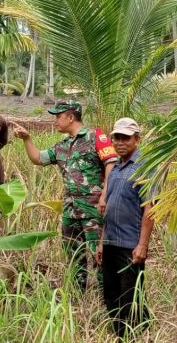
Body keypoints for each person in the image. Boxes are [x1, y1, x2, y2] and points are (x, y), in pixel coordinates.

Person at [12, 100, 117, 292]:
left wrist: (105, 195)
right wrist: (27, 138)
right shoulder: (62, 146)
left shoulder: (95, 137)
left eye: (58, 117)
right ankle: (78, 295)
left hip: (94, 209)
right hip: (71, 210)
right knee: (73, 254)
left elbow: (111, 163)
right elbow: (37, 158)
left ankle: (107, 297)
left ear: (71, 117)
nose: (55, 121)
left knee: (100, 255)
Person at [94, 117, 155, 339]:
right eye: (116, 138)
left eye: (125, 138)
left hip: (130, 245)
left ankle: (137, 340)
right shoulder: (116, 169)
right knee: (111, 294)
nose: (120, 142)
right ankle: (121, 337)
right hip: (110, 242)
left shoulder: (145, 167)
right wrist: (101, 242)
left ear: (136, 139)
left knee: (131, 297)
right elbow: (107, 209)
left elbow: (150, 209)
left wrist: (142, 245)